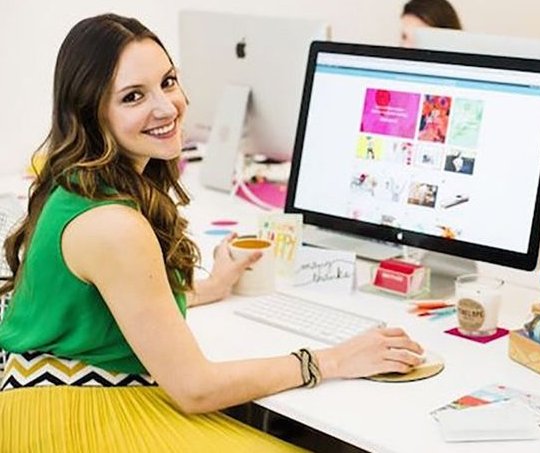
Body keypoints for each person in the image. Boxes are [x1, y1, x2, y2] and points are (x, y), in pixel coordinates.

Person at [0, 13, 424, 452]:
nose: (167, 108)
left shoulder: (78, 185)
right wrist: (331, 360)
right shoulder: (114, 225)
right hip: (74, 419)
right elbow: (195, 388)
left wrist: (210, 287)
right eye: (133, 96)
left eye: (167, 82)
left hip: (46, 402)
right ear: (91, 113)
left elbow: (120, 300)